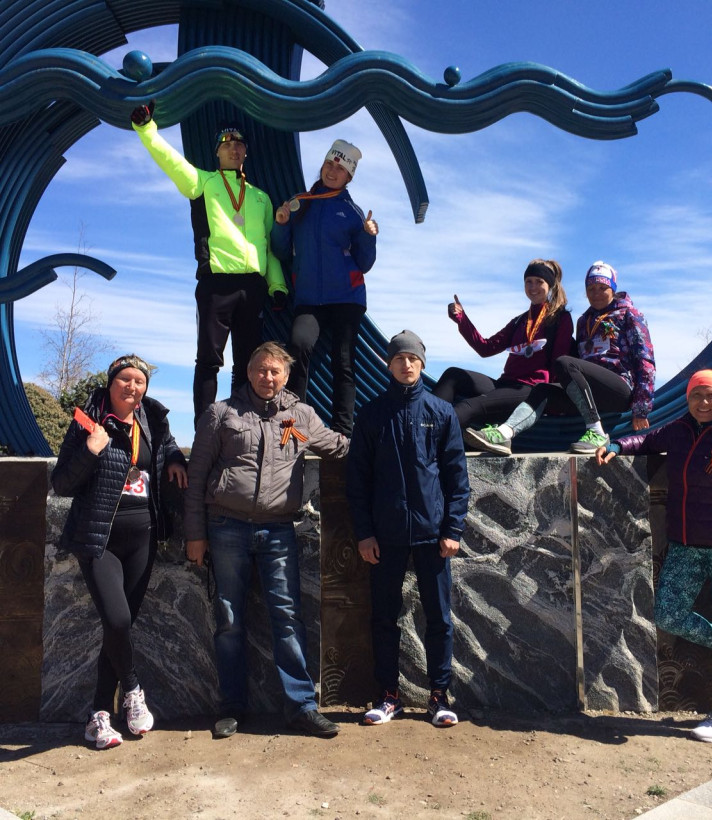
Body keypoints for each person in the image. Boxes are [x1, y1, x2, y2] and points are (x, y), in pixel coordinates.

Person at [596, 369, 712, 743]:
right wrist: (617, 446)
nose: (703, 402)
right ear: (687, 399)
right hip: (685, 547)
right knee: (668, 615)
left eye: (710, 395)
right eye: (696, 395)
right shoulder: (679, 431)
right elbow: (647, 439)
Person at [184, 341, 347, 738]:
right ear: (248, 372)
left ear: (286, 377)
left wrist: (380, 442)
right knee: (229, 620)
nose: (267, 377)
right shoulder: (221, 413)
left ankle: (301, 707)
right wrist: (195, 535)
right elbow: (196, 477)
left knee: (287, 616)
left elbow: (338, 447)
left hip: (278, 530)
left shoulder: (300, 417)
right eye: (261, 369)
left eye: (275, 371)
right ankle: (232, 707)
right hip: (226, 527)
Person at [52, 354, 188, 750]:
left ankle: (98, 716)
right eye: (125, 379)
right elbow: (62, 483)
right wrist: (91, 449)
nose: (133, 386)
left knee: (118, 630)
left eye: (139, 381)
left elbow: (167, 445)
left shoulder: (152, 419)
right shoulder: (88, 422)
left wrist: (175, 458)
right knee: (118, 620)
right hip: (99, 539)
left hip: (143, 536)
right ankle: (132, 689)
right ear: (111, 383)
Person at [130, 102, 288, 426]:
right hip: (217, 284)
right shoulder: (202, 183)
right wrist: (146, 129)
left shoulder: (261, 198)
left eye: (239, 144)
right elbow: (170, 160)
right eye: (227, 144)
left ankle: (242, 427)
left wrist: (277, 285)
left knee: (248, 363)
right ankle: (205, 428)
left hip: (253, 287)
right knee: (208, 360)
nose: (234, 148)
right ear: (217, 151)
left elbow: (269, 248)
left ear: (246, 152)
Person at [346, 330, 470, 727]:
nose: (406, 364)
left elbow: (457, 478)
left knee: (440, 618)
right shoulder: (371, 414)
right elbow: (357, 481)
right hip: (385, 537)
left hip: (434, 536)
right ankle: (388, 696)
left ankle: (439, 696)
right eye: (399, 358)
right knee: (384, 618)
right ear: (389, 364)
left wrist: (453, 529)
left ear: (422, 363)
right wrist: (365, 533)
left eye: (413, 358)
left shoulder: (441, 412)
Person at [464, 260, 655, 455]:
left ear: (613, 288)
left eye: (602, 288)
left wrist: (641, 408)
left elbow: (645, 361)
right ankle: (504, 434)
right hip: (589, 392)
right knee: (542, 389)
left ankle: (597, 433)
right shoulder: (584, 321)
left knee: (563, 363)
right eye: (591, 289)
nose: (596, 293)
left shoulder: (629, 314)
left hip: (618, 389)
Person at [272, 139, 378, 436]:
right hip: (309, 298)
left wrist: (368, 236)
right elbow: (281, 252)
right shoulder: (300, 202)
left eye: (340, 168)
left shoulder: (352, 212)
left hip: (347, 297)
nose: (333, 171)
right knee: (298, 348)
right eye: (329, 164)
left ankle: (343, 433)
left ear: (349, 176)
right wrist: (281, 224)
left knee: (343, 362)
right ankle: (292, 429)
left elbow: (364, 262)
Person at [431, 259, 573, 432]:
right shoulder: (519, 321)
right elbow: (485, 348)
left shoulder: (560, 318)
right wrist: (462, 319)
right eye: (528, 281)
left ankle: (427, 440)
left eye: (539, 282)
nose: (533, 287)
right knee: (453, 375)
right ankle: (423, 426)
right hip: (504, 385)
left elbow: (560, 362)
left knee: (468, 407)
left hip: (530, 390)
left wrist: (552, 405)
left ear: (549, 285)